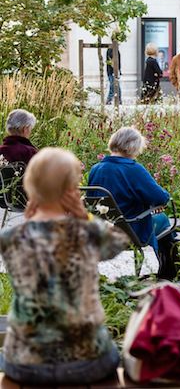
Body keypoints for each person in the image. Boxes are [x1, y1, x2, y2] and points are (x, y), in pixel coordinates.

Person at [0, 147, 128, 385]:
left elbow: (38, 244)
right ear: (73, 191)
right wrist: (84, 215)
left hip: (25, 363)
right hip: (87, 361)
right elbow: (119, 242)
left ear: (30, 188)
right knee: (113, 353)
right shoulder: (86, 233)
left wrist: (29, 221)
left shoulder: (11, 239)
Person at [88, 126, 174, 255]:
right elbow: (160, 198)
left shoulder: (96, 169)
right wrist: (154, 204)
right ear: (133, 147)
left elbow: (91, 201)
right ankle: (171, 266)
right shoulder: (133, 169)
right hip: (131, 231)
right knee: (162, 218)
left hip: (101, 230)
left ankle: (170, 264)